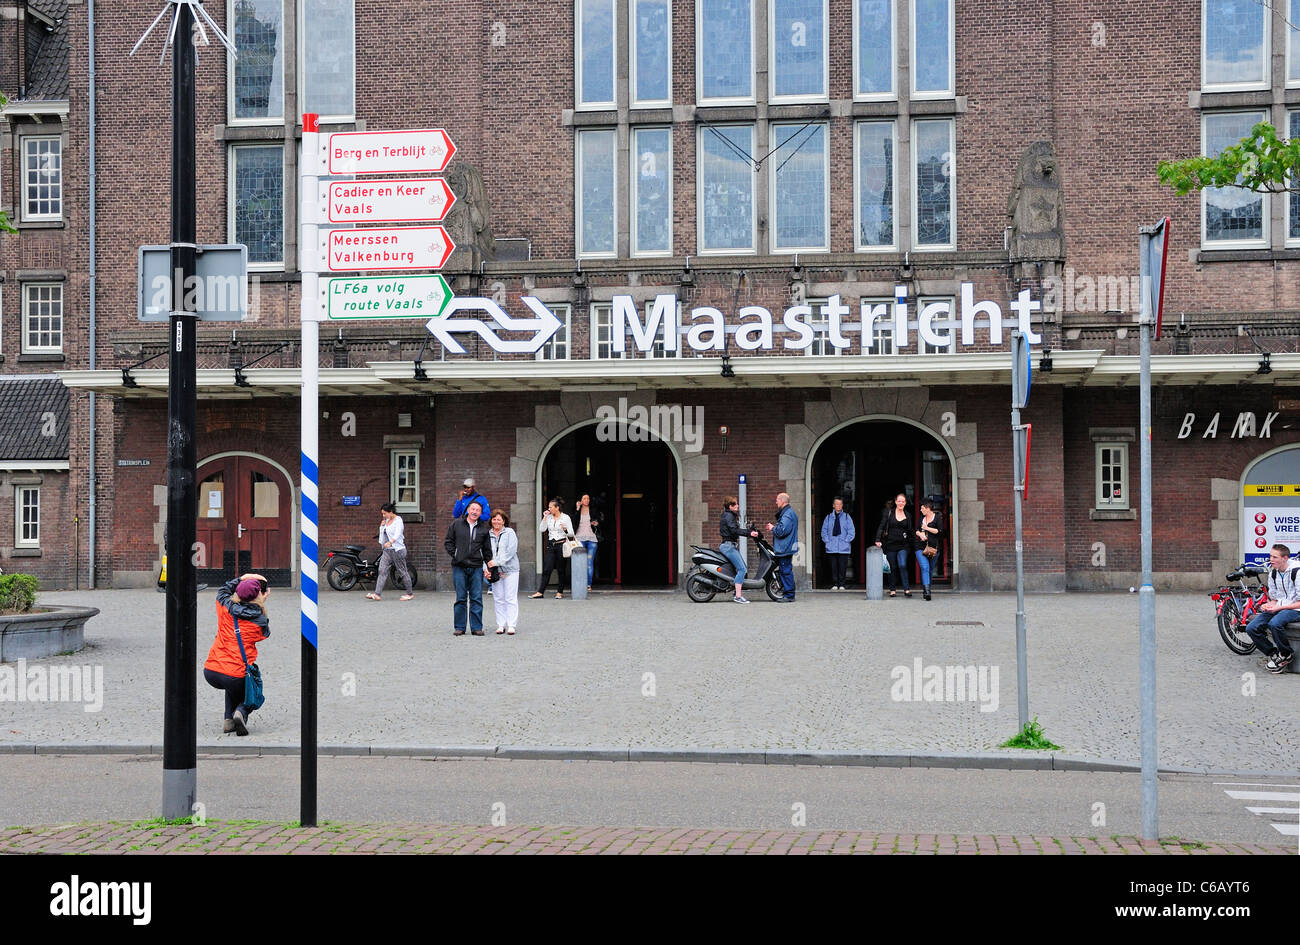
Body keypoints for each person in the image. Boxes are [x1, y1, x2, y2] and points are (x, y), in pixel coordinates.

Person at [204, 573, 270, 736]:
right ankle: (241, 711)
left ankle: (228, 721)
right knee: (254, 693)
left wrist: (243, 578)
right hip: (235, 674)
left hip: (211, 670)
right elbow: (265, 634)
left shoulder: (224, 607)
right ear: (259, 596)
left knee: (231, 685)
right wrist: (260, 604)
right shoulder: (259, 620)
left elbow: (222, 591)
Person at [1245, 543, 1299, 674]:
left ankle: (1286, 654)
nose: (1271, 560)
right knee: (1251, 627)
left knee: (1275, 623)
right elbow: (1274, 598)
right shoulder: (1273, 573)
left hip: (1295, 609)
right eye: (1270, 556)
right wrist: (1269, 605)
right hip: (1280, 607)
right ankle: (1275, 655)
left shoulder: (1297, 572)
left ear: (1285, 558)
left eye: (1275, 557)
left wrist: (1278, 607)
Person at [444, 499, 492, 635]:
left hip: (476, 566)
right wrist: (455, 554)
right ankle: (459, 627)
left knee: (477, 597)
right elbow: (448, 542)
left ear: (481, 513)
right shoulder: (456, 524)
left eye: (478, 510)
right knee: (461, 597)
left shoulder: (483, 529)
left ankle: (477, 627)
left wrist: (489, 566)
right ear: (468, 510)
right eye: (473, 509)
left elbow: (487, 550)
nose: (475, 512)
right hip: (459, 566)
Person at [367, 501, 414, 602]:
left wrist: (391, 542)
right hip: (387, 551)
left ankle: (409, 593)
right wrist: (381, 527)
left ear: (391, 511)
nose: (383, 515)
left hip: (398, 550)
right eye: (382, 514)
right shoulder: (386, 521)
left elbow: (398, 533)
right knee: (382, 571)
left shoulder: (398, 520)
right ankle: (377, 594)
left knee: (402, 571)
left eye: (385, 513)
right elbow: (382, 537)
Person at [532, 498, 575, 599]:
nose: (549, 509)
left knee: (561, 569)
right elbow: (542, 529)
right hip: (551, 545)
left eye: (551, 507)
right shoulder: (549, 517)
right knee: (547, 568)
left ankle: (560, 592)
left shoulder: (565, 517)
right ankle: (540, 592)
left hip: (561, 545)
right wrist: (545, 517)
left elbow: (572, 534)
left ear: (557, 508)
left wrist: (565, 529)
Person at [485, 510, 520, 635]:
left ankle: (511, 625)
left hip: (511, 570)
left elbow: (511, 551)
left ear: (504, 521)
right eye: (494, 519)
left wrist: (497, 562)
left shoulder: (510, 532)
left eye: (499, 519)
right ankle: (501, 624)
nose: (496, 521)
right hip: (495, 571)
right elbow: (484, 553)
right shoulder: (487, 534)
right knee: (498, 598)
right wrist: (486, 568)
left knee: (510, 598)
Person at [720, 495, 759, 603]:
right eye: (735, 504)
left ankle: (736, 592)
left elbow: (734, 530)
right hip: (729, 546)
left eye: (737, 503)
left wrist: (748, 531)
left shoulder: (728, 515)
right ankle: (738, 596)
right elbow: (734, 531)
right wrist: (749, 533)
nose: (737, 506)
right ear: (730, 506)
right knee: (742, 569)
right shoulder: (729, 516)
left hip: (729, 545)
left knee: (740, 568)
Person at [876, 493, 914, 598]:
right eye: (899, 501)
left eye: (903, 501)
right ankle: (892, 589)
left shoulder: (908, 515)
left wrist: (915, 542)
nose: (901, 503)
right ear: (896, 502)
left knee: (902, 564)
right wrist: (878, 539)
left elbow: (910, 530)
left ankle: (906, 589)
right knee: (892, 567)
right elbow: (882, 526)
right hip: (890, 544)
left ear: (905, 503)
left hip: (903, 545)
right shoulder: (889, 513)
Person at [766, 492, 799, 602]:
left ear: (782, 501)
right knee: (785, 570)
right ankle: (788, 593)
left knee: (785, 571)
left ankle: (789, 595)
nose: (776, 502)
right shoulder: (789, 513)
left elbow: (781, 531)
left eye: (777, 500)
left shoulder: (787, 514)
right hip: (786, 547)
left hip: (785, 548)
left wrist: (772, 528)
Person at [820, 496, 855, 590]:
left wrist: (846, 541)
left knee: (843, 567)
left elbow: (851, 531)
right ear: (833, 505)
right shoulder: (828, 518)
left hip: (844, 548)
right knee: (834, 567)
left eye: (840, 504)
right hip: (831, 547)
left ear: (842, 505)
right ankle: (835, 584)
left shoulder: (847, 517)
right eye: (836, 504)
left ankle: (842, 584)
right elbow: (824, 531)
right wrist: (827, 541)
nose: (838, 506)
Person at [914, 499, 943, 602]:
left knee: (929, 569)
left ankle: (926, 588)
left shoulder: (937, 518)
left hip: (932, 547)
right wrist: (920, 534)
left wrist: (926, 528)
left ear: (927, 508)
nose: (920, 510)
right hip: (920, 547)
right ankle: (927, 592)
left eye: (922, 508)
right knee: (925, 567)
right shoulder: (921, 518)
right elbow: (916, 530)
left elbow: (939, 531)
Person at [574, 493, 601, 592]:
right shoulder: (577, 510)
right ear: (580, 500)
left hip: (591, 538)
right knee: (580, 562)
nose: (587, 500)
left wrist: (596, 523)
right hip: (580, 538)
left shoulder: (593, 510)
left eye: (588, 498)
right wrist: (577, 508)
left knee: (589, 562)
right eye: (584, 498)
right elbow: (574, 521)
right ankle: (580, 583)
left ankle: (588, 584)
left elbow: (600, 521)